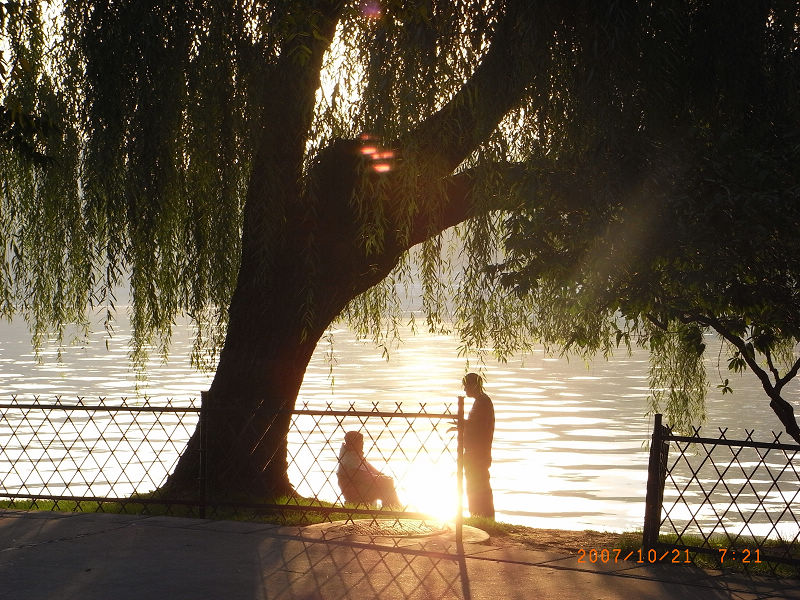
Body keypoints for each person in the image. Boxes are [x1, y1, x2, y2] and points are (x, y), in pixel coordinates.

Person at [461, 372, 495, 518]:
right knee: (476, 485)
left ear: (473, 386)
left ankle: (481, 515)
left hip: (477, 454)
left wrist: (463, 425)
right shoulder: (481, 401)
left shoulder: (482, 402)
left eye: (466, 386)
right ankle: (479, 515)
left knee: (477, 486)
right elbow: (476, 425)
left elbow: (478, 428)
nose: (464, 390)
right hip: (477, 453)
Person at [337, 430, 400, 508]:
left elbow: (368, 467)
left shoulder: (352, 453)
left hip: (359, 485)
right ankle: (394, 509)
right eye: (360, 442)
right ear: (353, 443)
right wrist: (384, 479)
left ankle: (394, 508)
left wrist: (381, 475)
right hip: (354, 491)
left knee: (386, 482)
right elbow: (362, 476)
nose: (362, 444)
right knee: (386, 485)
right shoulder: (350, 460)